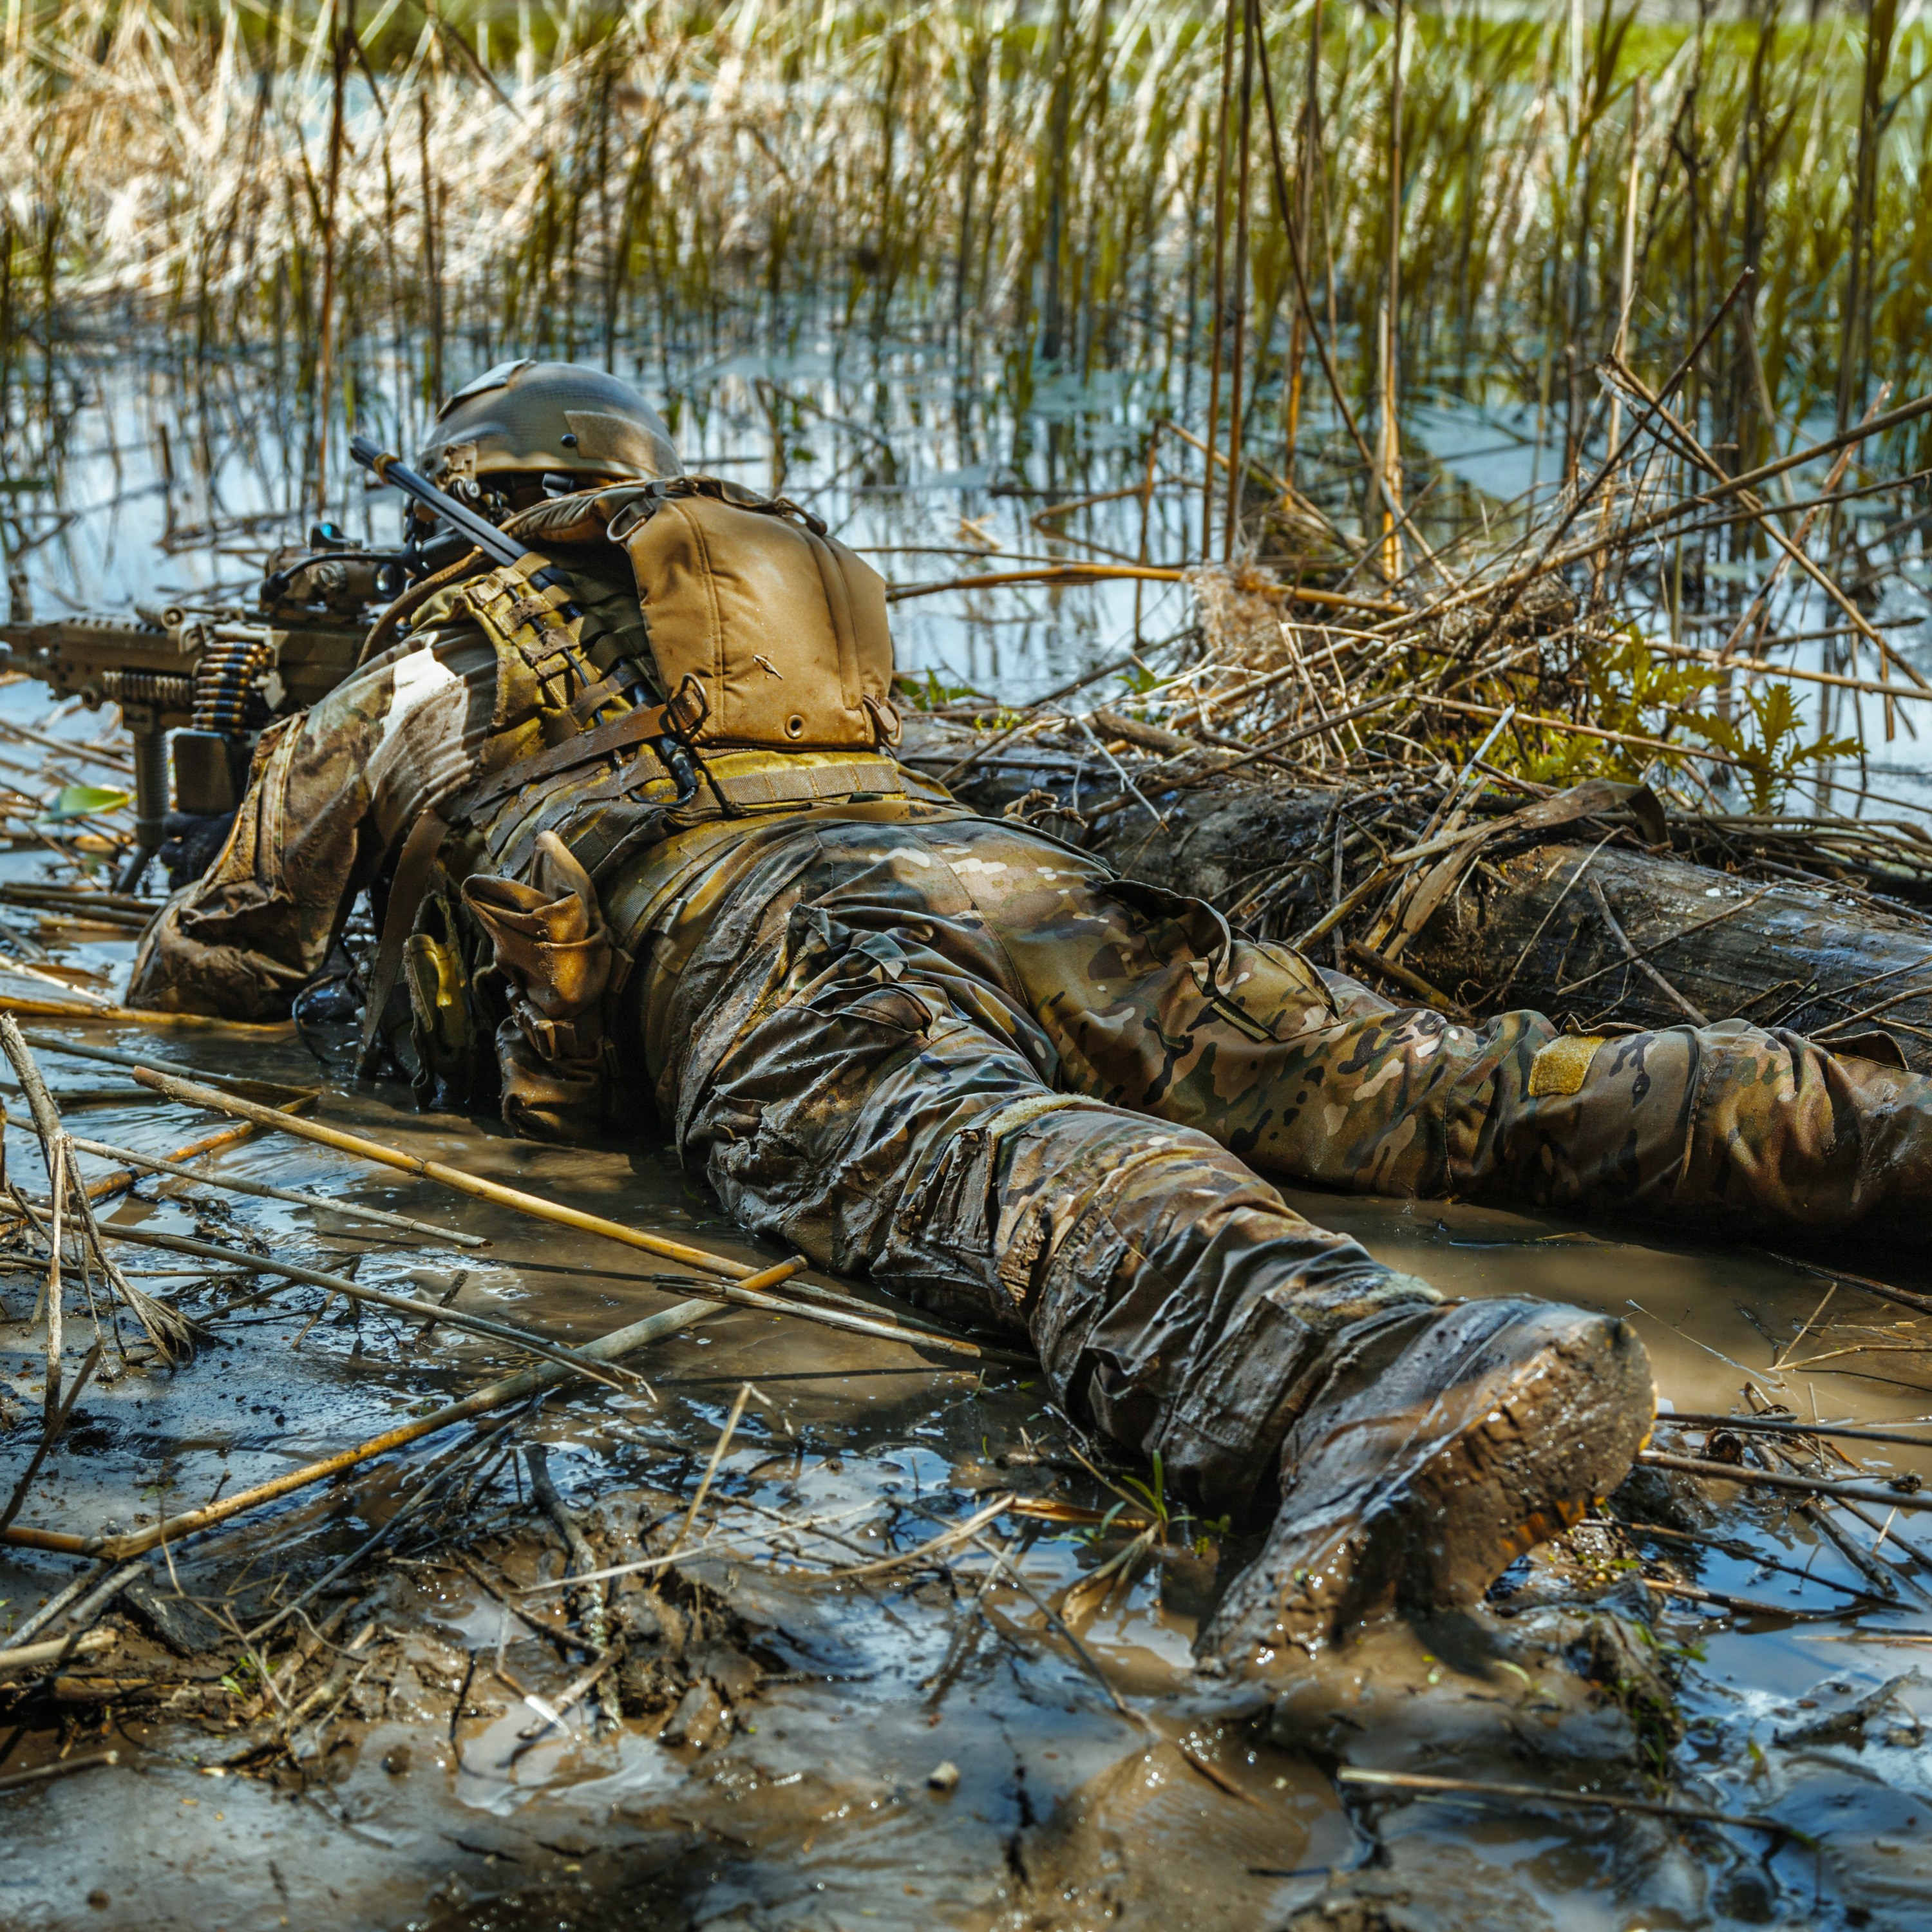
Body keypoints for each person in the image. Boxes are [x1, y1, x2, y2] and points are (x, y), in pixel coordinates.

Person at [127, 361, 1932, 1674]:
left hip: (771, 946)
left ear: (472, 498)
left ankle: (1365, 1372)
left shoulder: (430, 664)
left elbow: (211, 987)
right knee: (1438, 1085)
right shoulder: (756, 605)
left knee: (1010, 1167)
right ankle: (1878, 1136)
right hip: (1009, 881)